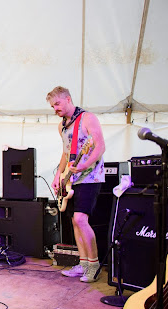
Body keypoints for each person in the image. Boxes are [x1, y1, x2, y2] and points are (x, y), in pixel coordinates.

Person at [48, 86, 105, 283]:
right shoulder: (61, 125)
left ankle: (94, 265)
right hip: (71, 179)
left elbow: (100, 146)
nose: (55, 108)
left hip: (90, 177)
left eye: (57, 103)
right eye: (52, 106)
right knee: (74, 221)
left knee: (81, 219)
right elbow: (66, 153)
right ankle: (83, 263)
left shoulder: (88, 118)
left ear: (68, 99)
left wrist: (85, 165)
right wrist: (58, 175)